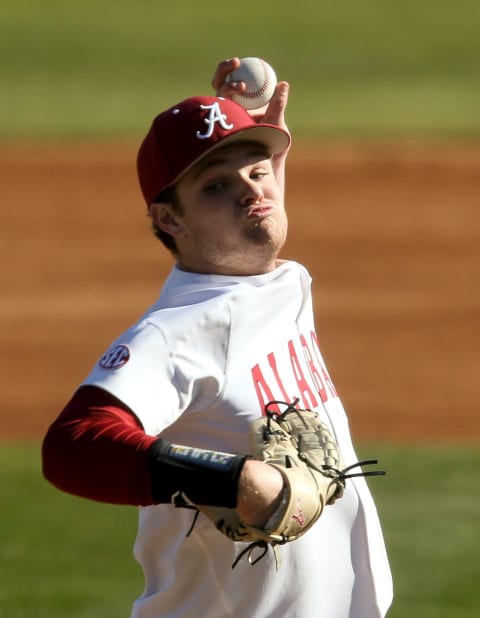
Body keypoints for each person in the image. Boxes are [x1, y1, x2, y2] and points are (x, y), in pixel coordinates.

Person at [42, 58, 393, 618]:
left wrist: (241, 136)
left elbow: (256, 213)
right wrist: (234, 479)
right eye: (214, 187)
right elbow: (71, 447)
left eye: (258, 172)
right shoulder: (181, 329)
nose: (252, 192)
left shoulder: (274, 282)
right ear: (170, 219)